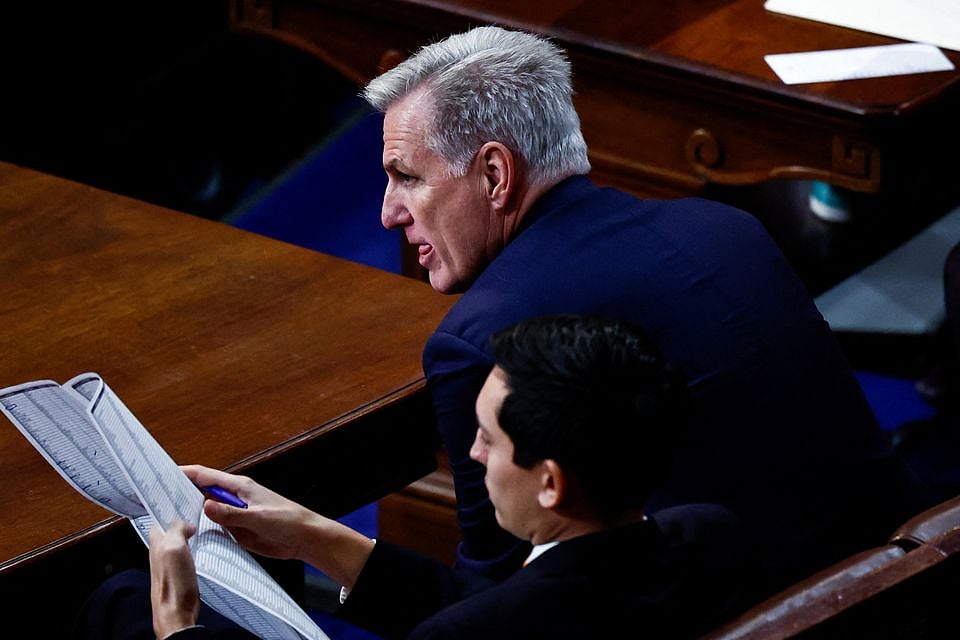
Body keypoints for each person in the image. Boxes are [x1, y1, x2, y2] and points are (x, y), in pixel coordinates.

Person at [361, 24, 928, 592]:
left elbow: (492, 603)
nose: (389, 213)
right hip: (906, 572)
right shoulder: (728, 229)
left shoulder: (480, 340)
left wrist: (340, 563)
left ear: (494, 174)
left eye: (407, 177)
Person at [73, 315, 747, 639]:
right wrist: (316, 537)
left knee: (125, 605)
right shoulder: (710, 538)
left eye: (489, 439)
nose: (474, 454)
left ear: (550, 483)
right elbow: (498, 604)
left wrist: (179, 626)